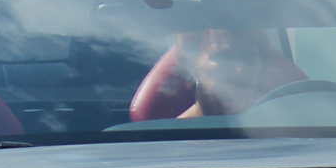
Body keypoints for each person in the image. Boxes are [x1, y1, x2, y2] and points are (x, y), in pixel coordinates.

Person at [128, 28, 314, 120]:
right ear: (191, 68)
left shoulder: (288, 135)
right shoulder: (167, 144)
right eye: (225, 57)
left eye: (248, 56)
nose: (240, 69)